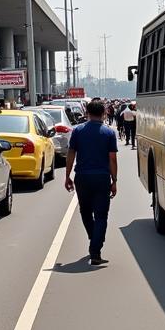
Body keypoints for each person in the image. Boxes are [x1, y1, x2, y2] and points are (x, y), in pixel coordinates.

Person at [64, 97, 118, 266]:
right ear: (103, 113)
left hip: (82, 178)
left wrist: (67, 176)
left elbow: (71, 154)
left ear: (87, 113)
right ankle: (95, 250)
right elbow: (112, 159)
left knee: (85, 211)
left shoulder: (78, 131)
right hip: (102, 178)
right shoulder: (109, 133)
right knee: (101, 215)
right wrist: (114, 180)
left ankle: (93, 238)